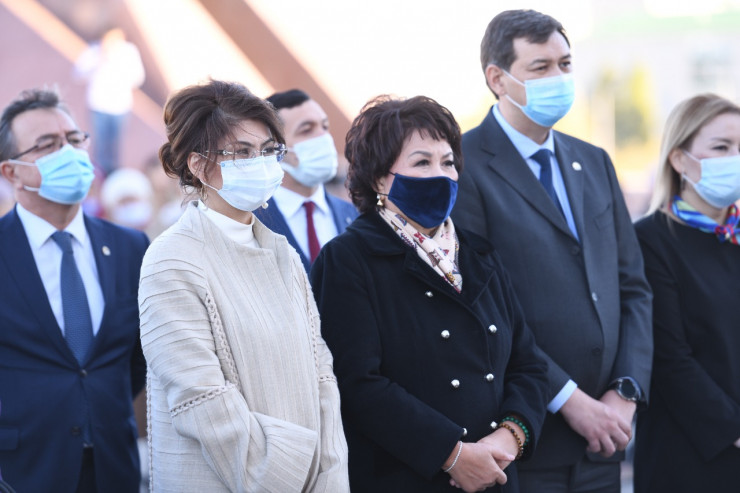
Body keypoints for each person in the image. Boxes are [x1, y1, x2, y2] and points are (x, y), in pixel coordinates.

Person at [451, 9, 653, 492]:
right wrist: (570, 400)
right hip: (529, 439)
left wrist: (625, 391)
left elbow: (632, 287)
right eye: (540, 67)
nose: (558, 78)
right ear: (497, 78)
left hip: (606, 437)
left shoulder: (593, 160)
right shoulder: (462, 166)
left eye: (565, 64)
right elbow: (483, 306)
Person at [311, 95, 550, 492]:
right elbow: (356, 383)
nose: (440, 175)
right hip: (406, 479)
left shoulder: (479, 254)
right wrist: (452, 454)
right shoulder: (349, 258)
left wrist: (509, 437)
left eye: (448, 162)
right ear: (379, 179)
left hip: (497, 473)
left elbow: (528, 363)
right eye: (422, 162)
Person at [138, 80, 349, 492]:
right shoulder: (171, 260)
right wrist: (287, 473)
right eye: (243, 152)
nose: (261, 163)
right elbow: (202, 400)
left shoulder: (282, 252)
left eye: (268, 150)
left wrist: (328, 470)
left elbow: (321, 372)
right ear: (199, 166)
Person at [0, 88, 148, 492]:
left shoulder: (130, 247)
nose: (67, 152)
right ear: (11, 172)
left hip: (114, 466)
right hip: (23, 470)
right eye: (47, 144)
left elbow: (137, 357)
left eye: (74, 139)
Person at [632, 94, 740, 493]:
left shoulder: (735, 235)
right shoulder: (650, 240)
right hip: (688, 456)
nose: (735, 158)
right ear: (679, 159)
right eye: (722, 147)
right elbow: (669, 358)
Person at [254, 89, 357, 272]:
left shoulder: (354, 215)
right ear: (273, 147)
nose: (323, 137)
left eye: (324, 127)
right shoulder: (251, 222)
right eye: (306, 130)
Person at [75, 28, 145, 175]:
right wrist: (100, 58)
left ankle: (113, 174)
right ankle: (99, 174)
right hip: (98, 105)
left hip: (120, 106)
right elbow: (78, 74)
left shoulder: (128, 52)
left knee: (115, 144)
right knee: (100, 144)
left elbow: (138, 77)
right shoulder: (94, 51)